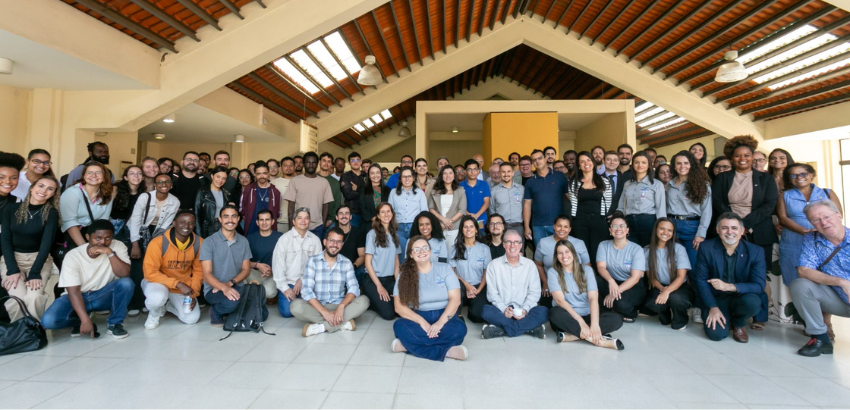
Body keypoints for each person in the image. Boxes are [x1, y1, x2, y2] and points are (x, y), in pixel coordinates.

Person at [713, 135, 777, 330]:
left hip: (758, 230)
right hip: (729, 231)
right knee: (732, 271)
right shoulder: (724, 177)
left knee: (759, 275)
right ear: (732, 158)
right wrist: (735, 225)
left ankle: (759, 316)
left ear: (753, 156)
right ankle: (735, 311)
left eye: (747, 155)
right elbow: (717, 202)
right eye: (738, 156)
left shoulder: (765, 178)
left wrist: (745, 224)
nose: (743, 159)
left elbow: (769, 205)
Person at [41, 219, 133, 339]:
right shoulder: (73, 256)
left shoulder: (118, 246)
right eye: (98, 238)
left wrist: (110, 253)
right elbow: (73, 292)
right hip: (79, 296)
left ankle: (115, 323)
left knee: (126, 283)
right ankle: (80, 322)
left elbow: (124, 273)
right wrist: (85, 320)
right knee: (48, 321)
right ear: (87, 236)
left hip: (101, 295)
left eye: (108, 238)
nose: (103, 242)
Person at [691, 212, 766, 342]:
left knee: (753, 302)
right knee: (717, 335)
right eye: (725, 228)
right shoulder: (706, 247)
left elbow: (759, 285)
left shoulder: (755, 251)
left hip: (741, 297)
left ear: (742, 231)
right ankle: (725, 318)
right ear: (717, 230)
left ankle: (738, 323)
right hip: (716, 299)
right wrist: (712, 307)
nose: (729, 232)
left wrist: (730, 287)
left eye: (734, 228)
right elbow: (701, 280)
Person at [391, 235, 468, 361]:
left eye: (425, 247)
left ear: (430, 251)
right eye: (416, 249)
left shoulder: (445, 268)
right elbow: (399, 307)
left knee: (460, 329)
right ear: (411, 254)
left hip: (443, 314)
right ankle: (447, 351)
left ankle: (406, 345)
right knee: (399, 326)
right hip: (417, 316)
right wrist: (422, 322)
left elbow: (455, 300)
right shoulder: (404, 274)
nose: (421, 251)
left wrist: (439, 323)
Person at [790, 200, 850, 356]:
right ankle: (820, 339)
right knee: (800, 285)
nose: (823, 222)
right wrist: (841, 282)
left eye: (827, 217)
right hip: (839, 299)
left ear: (839, 215)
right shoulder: (812, 239)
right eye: (816, 220)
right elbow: (804, 270)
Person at [291, 227, 370, 337]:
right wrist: (324, 312)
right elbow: (307, 291)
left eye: (338, 242)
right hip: (318, 307)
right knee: (295, 306)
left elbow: (354, 288)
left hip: (339, 306)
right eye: (332, 240)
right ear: (325, 242)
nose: (334, 245)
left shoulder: (346, 263)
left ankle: (321, 327)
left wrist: (341, 307)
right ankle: (341, 323)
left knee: (364, 301)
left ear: (342, 244)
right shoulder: (313, 261)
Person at [1, 175, 59, 321]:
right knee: (17, 298)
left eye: (50, 189)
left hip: (39, 259)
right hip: (13, 259)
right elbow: (5, 239)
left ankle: (33, 331)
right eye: (41, 186)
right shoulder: (11, 208)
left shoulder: (51, 213)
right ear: (32, 188)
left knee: (34, 297)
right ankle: (20, 333)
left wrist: (35, 273)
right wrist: (12, 269)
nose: (44, 190)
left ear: (53, 194)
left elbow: (46, 245)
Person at [548, 240, 624, 349]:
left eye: (567, 251)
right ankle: (598, 341)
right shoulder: (553, 272)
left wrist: (595, 324)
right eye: (560, 253)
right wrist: (580, 321)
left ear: (573, 253)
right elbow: (560, 301)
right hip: (568, 317)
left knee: (616, 319)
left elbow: (593, 298)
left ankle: (571, 336)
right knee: (554, 313)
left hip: (587, 315)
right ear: (556, 256)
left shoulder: (587, 270)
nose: (564, 255)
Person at [667, 151, 712, 324]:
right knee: (674, 268)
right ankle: (677, 305)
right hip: (671, 227)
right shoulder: (669, 185)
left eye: (686, 163)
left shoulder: (702, 184)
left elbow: (707, 212)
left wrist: (701, 234)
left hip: (692, 228)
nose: (682, 167)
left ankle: (699, 307)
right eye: (678, 163)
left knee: (694, 270)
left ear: (692, 164)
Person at [778, 163, 842, 285]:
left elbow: (838, 214)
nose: (799, 177)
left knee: (828, 275)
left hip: (824, 239)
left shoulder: (827, 193)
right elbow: (783, 218)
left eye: (803, 174)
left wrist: (821, 229)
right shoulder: (785, 195)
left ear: (811, 175)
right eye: (794, 175)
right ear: (790, 179)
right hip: (793, 241)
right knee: (795, 278)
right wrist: (803, 231)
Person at [127, 173, 180, 316]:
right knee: (137, 268)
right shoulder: (145, 197)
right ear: (155, 184)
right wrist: (135, 244)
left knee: (151, 266)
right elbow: (135, 220)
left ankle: (148, 300)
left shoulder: (174, 201)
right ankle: (134, 303)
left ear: (171, 185)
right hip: (137, 231)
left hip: (157, 233)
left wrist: (153, 245)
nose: (163, 184)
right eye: (160, 182)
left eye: (167, 182)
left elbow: (165, 225)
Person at [480, 230, 548, 339]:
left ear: (521, 245)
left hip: (524, 311)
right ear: (503, 245)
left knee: (543, 311)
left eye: (516, 242)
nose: (512, 245)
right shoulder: (493, 265)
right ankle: (529, 328)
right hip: (502, 311)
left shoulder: (530, 265)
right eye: (509, 242)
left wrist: (525, 310)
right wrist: (504, 309)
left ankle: (501, 330)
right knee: (486, 310)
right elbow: (492, 294)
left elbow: (534, 293)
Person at [141, 210, 203, 329]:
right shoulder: (158, 242)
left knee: (191, 319)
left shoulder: (199, 243)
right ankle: (155, 313)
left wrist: (193, 294)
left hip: (182, 287)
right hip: (157, 283)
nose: (186, 226)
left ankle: (168, 305)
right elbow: (150, 273)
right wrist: (178, 284)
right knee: (157, 298)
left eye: (191, 223)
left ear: (194, 225)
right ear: (174, 223)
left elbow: (199, 272)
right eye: (182, 222)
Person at [199, 205, 258, 326]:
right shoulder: (209, 242)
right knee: (232, 303)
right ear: (220, 219)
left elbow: (246, 269)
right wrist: (223, 288)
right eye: (226, 217)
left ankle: (233, 311)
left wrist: (230, 284)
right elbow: (207, 274)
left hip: (236, 285)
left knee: (262, 309)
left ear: (238, 219)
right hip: (213, 289)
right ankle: (215, 311)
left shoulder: (243, 241)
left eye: (234, 216)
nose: (230, 220)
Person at [643, 218, 694, 330]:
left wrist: (666, 291)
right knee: (653, 301)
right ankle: (665, 313)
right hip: (659, 285)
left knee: (676, 299)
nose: (665, 233)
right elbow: (651, 278)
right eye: (662, 229)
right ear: (655, 230)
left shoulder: (679, 249)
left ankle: (681, 319)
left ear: (673, 233)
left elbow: (681, 277)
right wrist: (662, 289)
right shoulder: (647, 250)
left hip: (679, 286)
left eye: (669, 230)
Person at [596, 213, 647, 323]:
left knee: (620, 303)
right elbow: (600, 267)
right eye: (614, 226)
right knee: (595, 280)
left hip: (632, 285)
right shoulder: (603, 245)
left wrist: (614, 293)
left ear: (627, 230)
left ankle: (631, 312)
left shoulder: (636, 249)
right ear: (610, 230)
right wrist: (611, 281)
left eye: (622, 226)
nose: (618, 229)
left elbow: (635, 278)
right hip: (612, 282)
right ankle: (606, 310)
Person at [272, 207, 322, 317]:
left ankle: (303, 301)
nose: (303, 221)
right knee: (287, 312)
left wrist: (302, 280)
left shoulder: (315, 240)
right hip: (288, 282)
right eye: (300, 218)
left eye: (306, 218)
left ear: (309, 221)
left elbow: (317, 266)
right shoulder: (284, 239)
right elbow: (278, 266)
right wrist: (285, 289)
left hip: (307, 282)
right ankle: (301, 302)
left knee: (319, 305)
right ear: (294, 221)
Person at [569, 151, 614, 265]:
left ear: (593, 163)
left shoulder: (604, 181)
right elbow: (573, 204)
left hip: (598, 221)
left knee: (598, 251)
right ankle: (584, 279)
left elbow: (608, 202)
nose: (586, 163)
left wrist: (603, 217)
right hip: (580, 221)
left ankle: (598, 279)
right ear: (579, 165)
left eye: (589, 160)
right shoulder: (573, 183)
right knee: (582, 252)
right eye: (582, 161)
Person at [60, 161, 114, 254]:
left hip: (93, 235)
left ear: (104, 177)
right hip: (73, 234)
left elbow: (103, 221)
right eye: (89, 172)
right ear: (84, 176)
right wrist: (85, 248)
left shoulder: (106, 196)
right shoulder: (72, 193)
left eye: (98, 172)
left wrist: (99, 244)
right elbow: (69, 222)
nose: (93, 175)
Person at [617, 151, 666, 247]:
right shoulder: (627, 184)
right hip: (629, 221)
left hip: (648, 222)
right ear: (632, 165)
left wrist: (662, 227)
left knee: (648, 251)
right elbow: (621, 205)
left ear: (649, 165)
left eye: (643, 162)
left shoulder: (656, 184)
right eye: (636, 162)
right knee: (632, 251)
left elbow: (660, 208)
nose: (640, 165)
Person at [362, 202, 401, 320]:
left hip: (389, 279)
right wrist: (379, 286)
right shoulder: (372, 234)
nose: (386, 214)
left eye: (388, 211)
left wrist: (398, 284)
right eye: (382, 212)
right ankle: (370, 299)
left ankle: (380, 299)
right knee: (389, 314)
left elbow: (396, 263)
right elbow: (367, 263)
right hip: (373, 279)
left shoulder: (395, 235)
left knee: (400, 309)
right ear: (378, 216)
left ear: (392, 214)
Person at [524, 149, 570, 248]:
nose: (537, 161)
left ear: (545, 159)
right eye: (534, 160)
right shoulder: (530, 182)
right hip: (538, 225)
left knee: (560, 252)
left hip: (558, 224)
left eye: (540, 158)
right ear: (532, 163)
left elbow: (569, 197)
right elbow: (527, 205)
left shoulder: (559, 176)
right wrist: (527, 226)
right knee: (541, 255)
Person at [449, 216, 491, 323]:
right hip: (460, 285)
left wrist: (478, 290)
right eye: (465, 227)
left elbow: (487, 272)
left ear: (476, 230)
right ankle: (457, 316)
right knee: (456, 287)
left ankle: (470, 306)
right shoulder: (454, 248)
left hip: (478, 286)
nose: (468, 229)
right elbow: (451, 271)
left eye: (471, 227)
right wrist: (467, 285)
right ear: (461, 230)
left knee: (477, 316)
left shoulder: (484, 249)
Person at [283, 152, 334, 240]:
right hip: (298, 226)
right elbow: (291, 205)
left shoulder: (324, 182)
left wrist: (323, 225)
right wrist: (291, 226)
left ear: (317, 164)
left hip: (317, 227)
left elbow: (326, 205)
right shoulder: (295, 181)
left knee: (316, 253)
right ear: (303, 164)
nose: (311, 165)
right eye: (308, 162)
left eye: (313, 163)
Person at [388, 166, 427, 262]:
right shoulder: (393, 192)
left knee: (415, 254)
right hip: (398, 228)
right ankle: (402, 276)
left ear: (413, 178)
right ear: (400, 179)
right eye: (404, 177)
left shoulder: (419, 193)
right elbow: (390, 212)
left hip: (415, 228)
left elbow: (424, 212)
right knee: (401, 257)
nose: (407, 179)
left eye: (409, 176)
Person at [247, 210, 284, 302]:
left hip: (272, 274)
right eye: (261, 220)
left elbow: (287, 261)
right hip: (254, 273)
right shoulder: (250, 238)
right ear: (257, 222)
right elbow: (242, 261)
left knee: (269, 292)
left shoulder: (281, 238)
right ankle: (255, 293)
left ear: (272, 221)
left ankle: (256, 293)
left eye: (267, 220)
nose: (264, 223)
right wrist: (257, 265)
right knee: (240, 274)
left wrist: (273, 270)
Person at [240, 161, 282, 236]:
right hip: (251, 230)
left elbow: (277, 213)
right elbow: (242, 210)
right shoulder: (248, 190)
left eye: (264, 173)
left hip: (270, 231)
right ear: (255, 174)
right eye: (259, 174)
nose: (262, 176)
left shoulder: (275, 192)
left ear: (268, 174)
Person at [109, 166, 144, 255]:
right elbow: (106, 209)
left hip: (131, 228)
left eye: (139, 173)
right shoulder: (116, 189)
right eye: (132, 173)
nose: (136, 176)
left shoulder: (143, 193)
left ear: (143, 177)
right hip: (114, 227)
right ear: (125, 177)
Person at [429, 165, 467, 246]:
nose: (448, 176)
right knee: (438, 254)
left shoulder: (460, 191)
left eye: (450, 173)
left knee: (452, 253)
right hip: (439, 226)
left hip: (454, 227)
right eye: (445, 173)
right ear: (441, 176)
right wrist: (443, 220)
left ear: (454, 176)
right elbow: (431, 208)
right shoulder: (435, 191)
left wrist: (449, 222)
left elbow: (462, 210)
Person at [489, 162, 524, 240]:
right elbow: (492, 210)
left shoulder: (521, 189)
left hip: (518, 227)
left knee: (519, 251)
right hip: (501, 227)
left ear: (512, 173)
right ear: (500, 174)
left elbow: (525, 208)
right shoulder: (493, 191)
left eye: (508, 171)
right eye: (503, 172)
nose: (506, 174)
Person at [334, 206, 369, 284]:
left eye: (346, 213)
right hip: (336, 267)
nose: (344, 216)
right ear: (336, 217)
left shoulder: (358, 233)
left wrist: (353, 266)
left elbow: (362, 256)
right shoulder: (332, 234)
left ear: (350, 217)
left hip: (353, 266)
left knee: (363, 270)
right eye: (341, 214)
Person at [195, 166, 232, 238]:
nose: (220, 180)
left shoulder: (226, 193)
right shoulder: (202, 192)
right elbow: (197, 214)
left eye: (224, 178)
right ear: (212, 176)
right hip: (208, 227)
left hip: (223, 226)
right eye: (218, 177)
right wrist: (199, 234)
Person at [459, 159, 490, 233]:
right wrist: (468, 215)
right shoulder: (460, 186)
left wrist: (476, 215)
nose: (472, 172)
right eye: (469, 169)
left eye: (475, 169)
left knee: (481, 239)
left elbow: (486, 203)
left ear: (478, 170)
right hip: (465, 220)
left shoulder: (484, 184)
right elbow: (459, 204)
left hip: (481, 219)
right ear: (465, 171)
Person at [340, 152, 367, 227]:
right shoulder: (346, 176)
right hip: (353, 213)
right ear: (349, 163)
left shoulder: (366, 176)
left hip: (367, 213)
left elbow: (371, 193)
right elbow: (348, 195)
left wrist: (356, 189)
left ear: (361, 162)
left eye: (358, 160)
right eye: (352, 160)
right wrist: (363, 191)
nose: (355, 162)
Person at [318, 152, 343, 228]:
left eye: (329, 161)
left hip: (329, 222)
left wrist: (331, 219)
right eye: (324, 160)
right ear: (319, 162)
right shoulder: (313, 179)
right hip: (313, 221)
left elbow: (337, 202)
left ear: (331, 164)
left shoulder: (335, 182)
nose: (326, 163)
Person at [271, 157, 295, 233]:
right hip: (279, 222)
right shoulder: (273, 183)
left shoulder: (300, 181)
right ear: (281, 168)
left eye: (291, 165)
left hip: (297, 222)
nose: (288, 168)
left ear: (294, 167)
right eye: (285, 165)